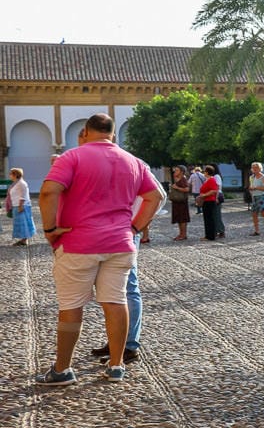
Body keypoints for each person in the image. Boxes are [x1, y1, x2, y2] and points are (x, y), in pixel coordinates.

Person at [35, 113, 162, 385]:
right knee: (116, 301)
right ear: (113, 135)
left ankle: (62, 370)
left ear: (84, 132)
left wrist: (49, 229)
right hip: (120, 243)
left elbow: (48, 191)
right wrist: (135, 228)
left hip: (78, 242)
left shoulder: (73, 156)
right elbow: (156, 196)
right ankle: (116, 365)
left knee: (71, 306)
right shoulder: (134, 161)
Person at [9, 168, 33, 245]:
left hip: (22, 205)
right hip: (17, 205)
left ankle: (24, 240)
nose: (10, 175)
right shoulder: (17, 183)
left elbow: (23, 195)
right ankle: (23, 239)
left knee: (24, 223)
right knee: (20, 223)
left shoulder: (22, 183)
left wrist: (20, 205)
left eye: (11, 174)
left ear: (15, 175)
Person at [198, 166, 221, 241]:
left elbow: (214, 190)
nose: (203, 172)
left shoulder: (211, 180)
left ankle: (210, 236)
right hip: (206, 201)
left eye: (204, 171)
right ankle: (208, 235)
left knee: (209, 219)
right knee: (207, 219)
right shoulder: (207, 180)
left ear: (207, 172)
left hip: (210, 201)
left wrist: (204, 195)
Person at [169, 165, 192, 240]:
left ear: (182, 172)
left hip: (182, 202)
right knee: (179, 219)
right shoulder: (177, 179)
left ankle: (183, 234)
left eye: (177, 170)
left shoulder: (183, 179)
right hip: (177, 202)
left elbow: (187, 189)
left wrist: (177, 188)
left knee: (182, 219)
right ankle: (181, 234)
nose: (175, 171)